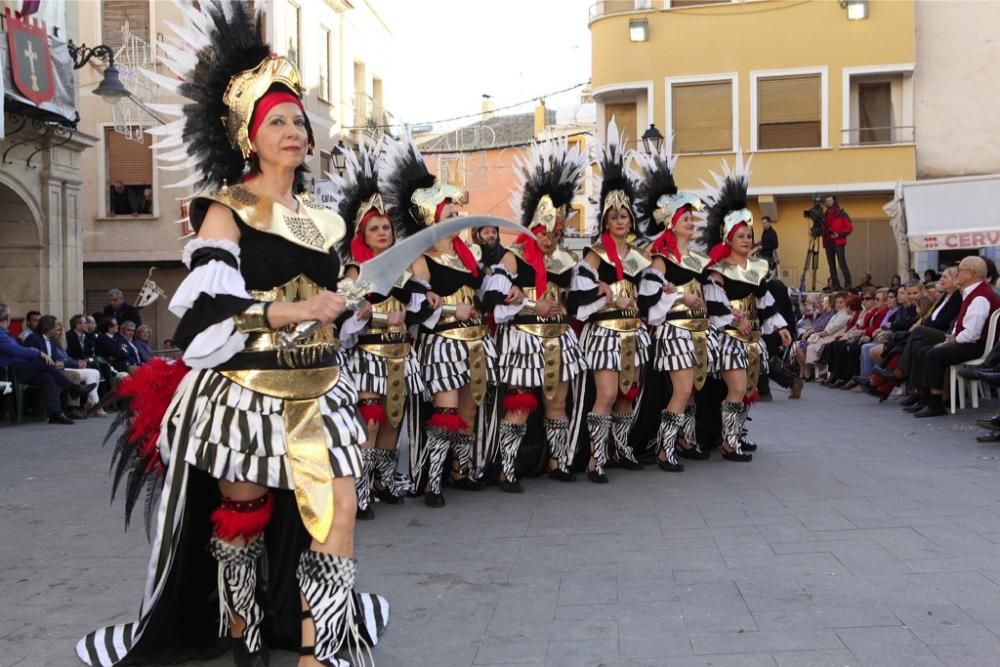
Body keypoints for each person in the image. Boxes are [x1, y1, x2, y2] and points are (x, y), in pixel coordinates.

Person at [76, 5, 388, 666]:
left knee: (336, 506)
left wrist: (348, 308)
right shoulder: (225, 207)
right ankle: (241, 629)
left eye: (298, 119)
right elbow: (207, 317)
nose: (294, 129)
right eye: (278, 119)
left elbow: (333, 308)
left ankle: (318, 651)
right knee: (242, 515)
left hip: (319, 386)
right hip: (247, 386)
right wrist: (293, 311)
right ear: (249, 134)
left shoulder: (326, 222)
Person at [382, 130, 498, 508]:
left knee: (469, 408)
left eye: (455, 215)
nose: (455, 220)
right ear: (433, 219)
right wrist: (450, 308)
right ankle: (432, 480)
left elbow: (486, 292)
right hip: (444, 341)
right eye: (448, 215)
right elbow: (418, 304)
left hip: (475, 340)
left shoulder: (467, 257)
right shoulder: (421, 259)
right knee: (446, 408)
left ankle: (459, 472)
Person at [333, 136, 431, 519]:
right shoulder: (354, 272)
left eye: (386, 228)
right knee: (370, 423)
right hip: (370, 355)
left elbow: (417, 306)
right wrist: (377, 317)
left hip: (400, 356)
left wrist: (425, 303)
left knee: (394, 421)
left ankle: (384, 482)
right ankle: (359, 491)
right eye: (375, 229)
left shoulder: (402, 270)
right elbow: (344, 317)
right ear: (362, 234)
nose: (383, 234)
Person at [483, 138, 588, 490]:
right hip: (525, 340)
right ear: (533, 226)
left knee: (558, 402)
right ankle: (507, 468)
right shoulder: (513, 257)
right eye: (545, 231)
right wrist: (530, 303)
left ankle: (558, 462)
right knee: (521, 404)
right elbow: (492, 297)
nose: (550, 239)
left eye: (557, 232)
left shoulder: (564, 261)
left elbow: (577, 299)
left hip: (559, 338)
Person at [567, 118, 650, 482]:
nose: (620, 220)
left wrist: (659, 292)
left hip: (633, 333)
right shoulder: (595, 253)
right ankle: (595, 457)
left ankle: (622, 448)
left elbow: (644, 290)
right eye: (614, 215)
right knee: (607, 392)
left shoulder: (636, 254)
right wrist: (603, 293)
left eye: (625, 215)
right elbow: (578, 290)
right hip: (604, 334)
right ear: (605, 219)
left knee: (627, 395)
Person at [700, 152, 792, 461]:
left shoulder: (758, 268)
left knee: (746, 390)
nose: (746, 239)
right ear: (728, 237)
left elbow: (765, 300)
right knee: (737, 388)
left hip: (751, 338)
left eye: (749, 234)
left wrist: (779, 327)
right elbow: (714, 303)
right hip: (728, 337)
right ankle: (728, 443)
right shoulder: (718, 269)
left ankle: (737, 436)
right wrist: (732, 320)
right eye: (740, 235)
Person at [634, 142, 712, 471]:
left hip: (698, 332)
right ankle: (666, 449)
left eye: (693, 218)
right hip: (675, 331)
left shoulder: (698, 258)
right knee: (681, 388)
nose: (692, 223)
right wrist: (681, 296)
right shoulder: (661, 257)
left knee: (692, 388)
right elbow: (648, 294)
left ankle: (685, 439)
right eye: (686, 218)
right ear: (672, 222)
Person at [903, 256, 1000, 417]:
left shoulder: (980, 296)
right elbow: (963, 324)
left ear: (970, 273)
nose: (957, 275)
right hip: (969, 341)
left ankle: (936, 404)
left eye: (960, 271)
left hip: (975, 346)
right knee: (923, 350)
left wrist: (952, 340)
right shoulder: (974, 292)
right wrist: (952, 337)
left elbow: (972, 333)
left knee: (934, 353)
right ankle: (925, 398)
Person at [0, 304, 94, 425]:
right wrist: (39, 353)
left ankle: (55, 414)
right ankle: (72, 388)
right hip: (11, 371)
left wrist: (37, 353)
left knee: (47, 377)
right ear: (7, 318)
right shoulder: (2, 334)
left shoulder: (5, 333)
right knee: (43, 362)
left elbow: (19, 349)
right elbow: (16, 350)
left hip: (21, 368)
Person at [821, 195, 853, 288]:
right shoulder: (825, 215)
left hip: (838, 242)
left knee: (842, 263)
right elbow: (823, 228)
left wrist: (839, 234)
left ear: (834, 201)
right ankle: (835, 285)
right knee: (831, 266)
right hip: (828, 242)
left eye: (830, 200)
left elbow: (850, 228)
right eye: (827, 201)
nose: (828, 202)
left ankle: (848, 283)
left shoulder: (841, 213)